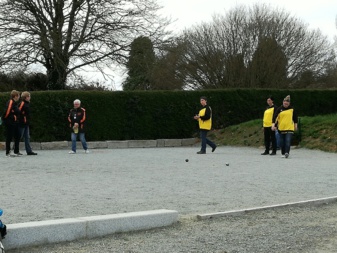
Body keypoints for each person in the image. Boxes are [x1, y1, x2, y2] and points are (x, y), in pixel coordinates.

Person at [2, 90, 22, 157]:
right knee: (9, 137)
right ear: (15, 96)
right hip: (10, 122)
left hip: (14, 121)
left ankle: (15, 151)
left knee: (17, 135)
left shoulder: (14, 103)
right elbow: (8, 111)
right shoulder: (11, 102)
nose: (19, 97)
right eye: (18, 96)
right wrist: (5, 118)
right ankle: (8, 152)